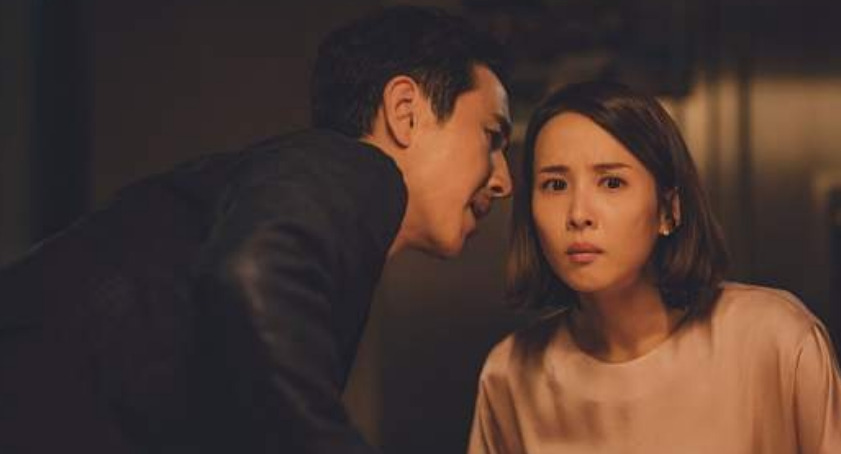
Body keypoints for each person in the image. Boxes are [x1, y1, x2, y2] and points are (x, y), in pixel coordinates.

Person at [0, 5, 513, 453]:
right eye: (491, 136)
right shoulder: (357, 167)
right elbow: (249, 273)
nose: (504, 180)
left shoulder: (313, 199)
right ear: (405, 112)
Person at [467, 80, 841, 453]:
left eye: (612, 182)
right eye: (555, 185)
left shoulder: (772, 338)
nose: (578, 214)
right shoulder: (510, 373)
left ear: (669, 210)